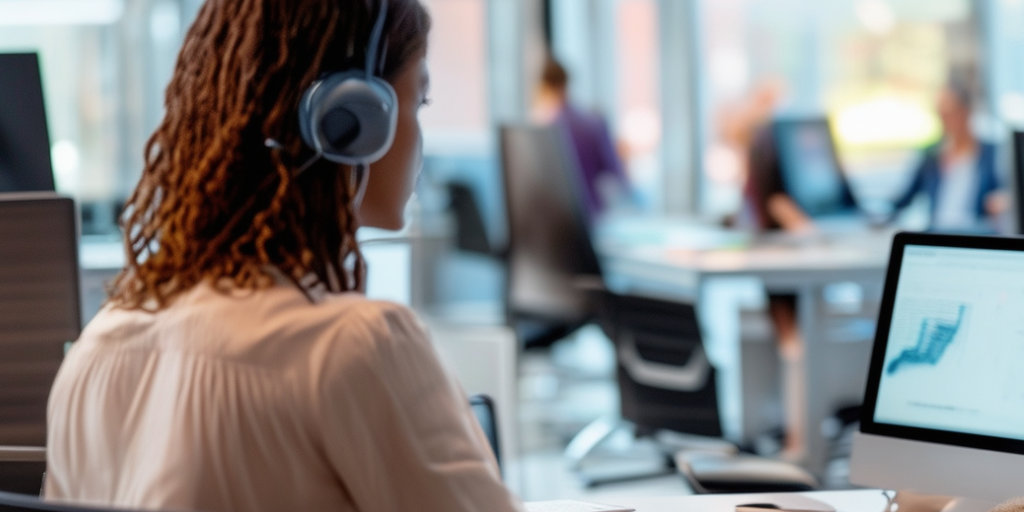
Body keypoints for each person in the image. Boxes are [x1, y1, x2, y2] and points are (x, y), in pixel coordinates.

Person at [44, 1, 524, 512]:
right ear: (352, 121)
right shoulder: (352, 347)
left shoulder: (97, 349)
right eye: (419, 102)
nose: (421, 138)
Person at [891, 82, 1003, 232]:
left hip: (978, 233)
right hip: (937, 232)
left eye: (950, 113)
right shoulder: (931, 155)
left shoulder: (993, 153)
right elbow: (905, 198)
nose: (944, 121)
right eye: (940, 114)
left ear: (967, 111)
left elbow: (1005, 192)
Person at [533, 55, 633, 220]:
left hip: (558, 218)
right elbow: (617, 175)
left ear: (543, 87)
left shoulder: (542, 129)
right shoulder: (593, 122)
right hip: (592, 216)